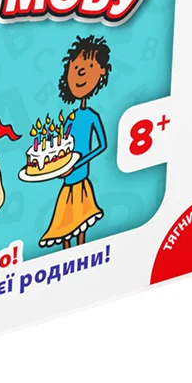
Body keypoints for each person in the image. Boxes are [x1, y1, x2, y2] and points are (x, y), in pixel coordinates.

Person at [40, 36, 111, 249]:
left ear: (101, 72)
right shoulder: (70, 118)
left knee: (80, 227)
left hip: (81, 182)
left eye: (89, 67)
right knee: (64, 229)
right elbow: (64, 148)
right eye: (76, 67)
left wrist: (78, 163)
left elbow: (102, 145)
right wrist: (58, 167)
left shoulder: (91, 116)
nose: (80, 73)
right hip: (67, 183)